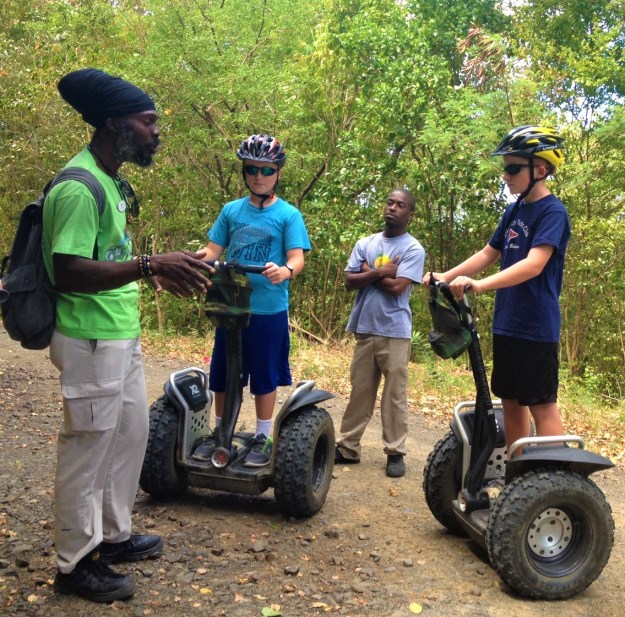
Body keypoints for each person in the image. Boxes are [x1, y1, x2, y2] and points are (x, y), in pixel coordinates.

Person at [44, 68, 213, 603]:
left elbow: (107, 259)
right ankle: (74, 563)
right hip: (89, 338)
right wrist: (147, 263)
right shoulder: (78, 186)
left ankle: (113, 537)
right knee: (87, 450)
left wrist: (153, 272)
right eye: (147, 123)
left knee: (128, 438)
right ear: (115, 125)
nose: (155, 133)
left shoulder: (113, 181)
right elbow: (66, 271)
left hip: (120, 333)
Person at [423, 125, 569, 455]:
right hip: (508, 323)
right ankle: (519, 475)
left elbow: (534, 263)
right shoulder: (514, 210)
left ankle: (551, 479)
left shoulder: (553, 213)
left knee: (541, 405)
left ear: (540, 170)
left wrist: (480, 285)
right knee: (512, 401)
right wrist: (446, 275)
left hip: (536, 327)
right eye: (504, 167)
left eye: (513, 167)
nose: (506, 175)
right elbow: (489, 253)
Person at [192, 134, 311, 467]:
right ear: (244, 171)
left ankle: (262, 435)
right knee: (224, 372)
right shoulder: (231, 211)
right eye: (252, 169)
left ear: (278, 173)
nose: (259, 176)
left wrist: (285, 271)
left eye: (267, 170)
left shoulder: (288, 215)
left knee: (264, 374)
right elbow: (213, 249)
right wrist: (192, 261)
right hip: (231, 306)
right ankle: (220, 432)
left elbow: (297, 258)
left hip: (268, 308)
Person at [335, 189, 425, 478]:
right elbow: (350, 281)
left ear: (410, 214)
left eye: (400, 205)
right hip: (364, 326)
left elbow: (399, 287)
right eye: (389, 202)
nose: (393, 208)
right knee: (360, 390)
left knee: (394, 394)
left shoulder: (413, 249)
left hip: (395, 330)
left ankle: (395, 452)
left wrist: (367, 273)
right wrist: (381, 272)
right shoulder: (366, 242)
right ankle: (347, 447)